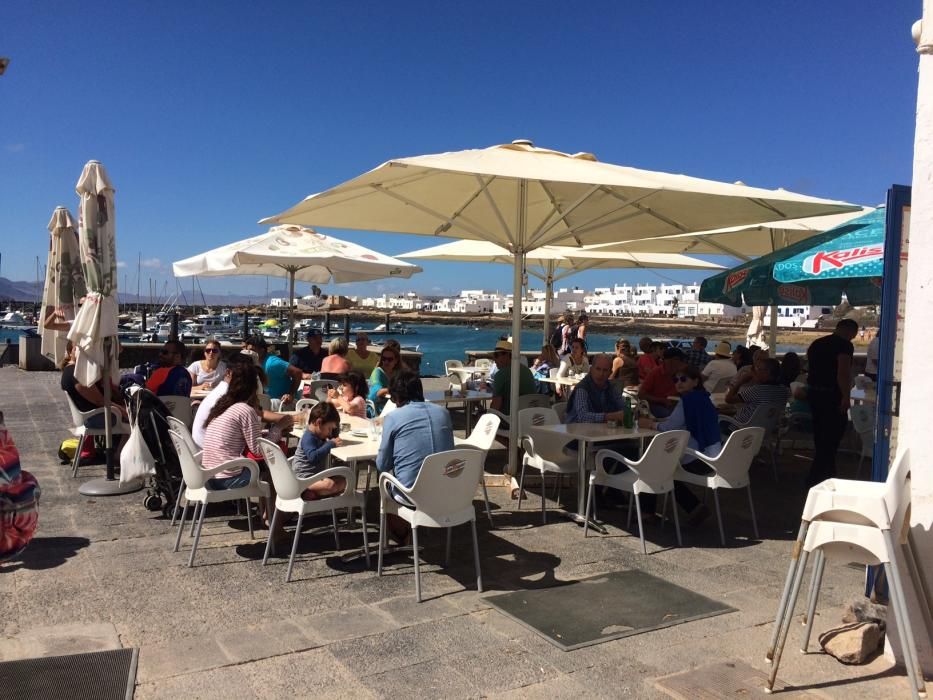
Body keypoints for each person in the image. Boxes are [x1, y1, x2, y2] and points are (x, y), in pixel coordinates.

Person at [200, 361, 283, 538]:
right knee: (272, 472)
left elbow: (244, 436)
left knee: (264, 470)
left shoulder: (224, 406)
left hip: (208, 475)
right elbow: (259, 450)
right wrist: (279, 428)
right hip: (226, 479)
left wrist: (269, 431)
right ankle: (274, 524)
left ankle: (268, 517)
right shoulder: (245, 410)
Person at [376, 371, 454, 543]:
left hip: (413, 495)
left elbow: (382, 464)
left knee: (382, 479)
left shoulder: (394, 417)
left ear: (396, 397)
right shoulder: (443, 413)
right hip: (448, 491)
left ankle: (401, 535)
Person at [639, 365, 721, 524]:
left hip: (698, 459)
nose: (679, 383)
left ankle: (646, 512)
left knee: (653, 465)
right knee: (664, 468)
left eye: (683, 379)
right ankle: (694, 507)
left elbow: (668, 428)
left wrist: (649, 424)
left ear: (696, 381)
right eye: (676, 380)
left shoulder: (687, 401)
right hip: (715, 457)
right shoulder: (705, 398)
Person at [191, 354, 294, 447]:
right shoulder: (236, 401)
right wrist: (278, 429)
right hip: (222, 462)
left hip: (205, 453)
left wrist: (276, 429)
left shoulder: (221, 393)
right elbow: (258, 448)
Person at [805, 318, 858, 485]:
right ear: (849, 331)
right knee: (833, 436)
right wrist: (845, 396)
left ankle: (825, 473)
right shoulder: (844, 346)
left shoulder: (817, 343)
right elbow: (843, 372)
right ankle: (820, 476)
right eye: (853, 335)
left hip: (814, 394)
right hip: (831, 395)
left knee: (820, 436)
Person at [60, 341, 128, 427]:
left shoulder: (74, 370)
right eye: (77, 349)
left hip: (94, 413)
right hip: (93, 416)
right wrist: (124, 412)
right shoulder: (76, 373)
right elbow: (99, 401)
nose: (81, 352)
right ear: (70, 353)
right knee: (134, 419)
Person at [291, 402, 346, 499]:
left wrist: (333, 432)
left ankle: (313, 494)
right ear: (319, 423)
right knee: (330, 485)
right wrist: (330, 444)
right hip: (303, 479)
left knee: (345, 480)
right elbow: (313, 457)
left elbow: (333, 435)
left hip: (315, 477)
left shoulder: (319, 434)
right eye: (329, 429)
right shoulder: (308, 437)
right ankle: (306, 492)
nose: (330, 433)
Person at [565, 353, 628, 425]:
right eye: (598, 369)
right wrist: (609, 416)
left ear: (610, 373)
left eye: (605, 370)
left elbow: (624, 408)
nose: (601, 374)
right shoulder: (582, 388)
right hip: (576, 432)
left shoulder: (611, 387)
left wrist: (627, 412)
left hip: (600, 431)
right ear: (591, 370)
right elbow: (582, 417)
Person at [725, 357, 790, 424]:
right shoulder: (784, 391)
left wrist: (740, 382)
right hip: (763, 428)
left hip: (739, 427)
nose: (753, 372)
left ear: (767, 372)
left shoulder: (756, 390)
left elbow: (728, 399)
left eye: (757, 369)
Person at [246, 335, 302, 407]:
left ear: (262, 350)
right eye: (248, 351)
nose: (250, 353)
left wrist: (291, 394)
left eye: (252, 350)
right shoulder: (254, 363)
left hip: (284, 402)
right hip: (269, 401)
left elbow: (297, 372)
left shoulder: (272, 363)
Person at [489, 339, 537, 414]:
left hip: (509, 419)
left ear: (507, 355)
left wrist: (487, 416)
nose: (494, 359)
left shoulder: (501, 375)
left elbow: (496, 405)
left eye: (496, 355)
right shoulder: (526, 371)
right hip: (529, 416)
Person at [639, 348, 687, 418]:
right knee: (672, 415)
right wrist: (662, 400)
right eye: (681, 360)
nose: (683, 363)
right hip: (656, 405)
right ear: (673, 360)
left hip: (675, 404)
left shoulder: (681, 373)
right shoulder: (655, 373)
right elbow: (641, 394)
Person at [368, 344, 401, 414]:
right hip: (378, 408)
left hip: (394, 405)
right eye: (384, 359)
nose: (386, 362)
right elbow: (376, 392)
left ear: (396, 361)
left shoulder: (398, 373)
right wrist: (394, 390)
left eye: (389, 359)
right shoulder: (377, 372)